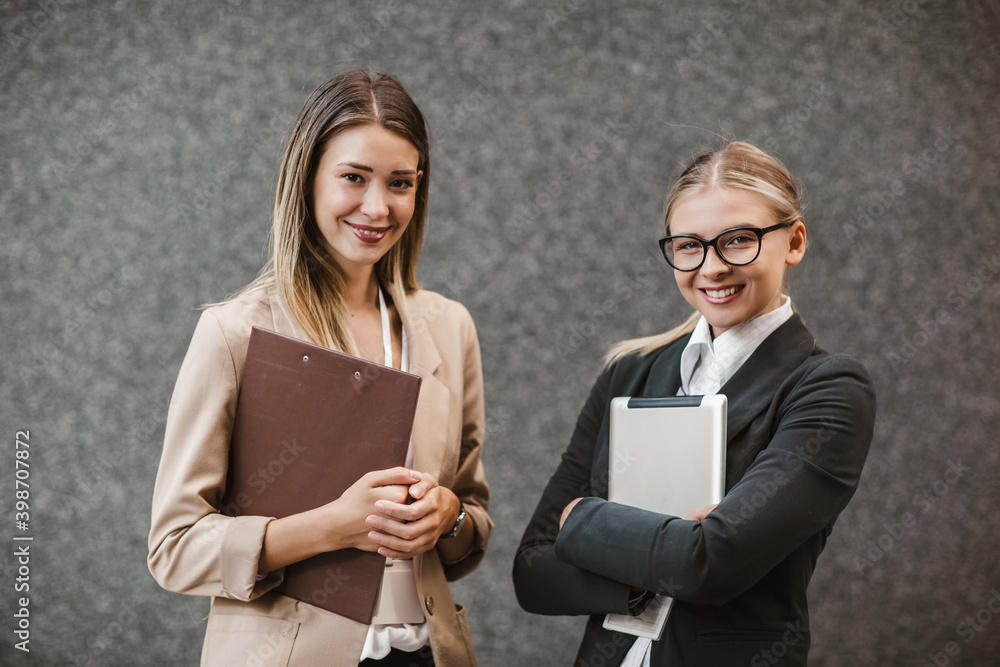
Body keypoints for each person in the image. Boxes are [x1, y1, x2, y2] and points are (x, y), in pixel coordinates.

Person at [148, 69, 491, 667]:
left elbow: (471, 524)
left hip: (425, 653)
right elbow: (174, 549)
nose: (378, 207)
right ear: (306, 180)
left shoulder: (448, 326)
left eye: (400, 183)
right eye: (353, 178)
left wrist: (449, 516)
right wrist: (332, 526)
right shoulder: (236, 332)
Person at [513, 141, 875, 666]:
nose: (713, 267)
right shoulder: (629, 372)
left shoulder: (828, 389)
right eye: (689, 246)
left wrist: (581, 520)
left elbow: (709, 565)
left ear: (794, 241)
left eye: (738, 240)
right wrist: (658, 563)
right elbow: (532, 573)